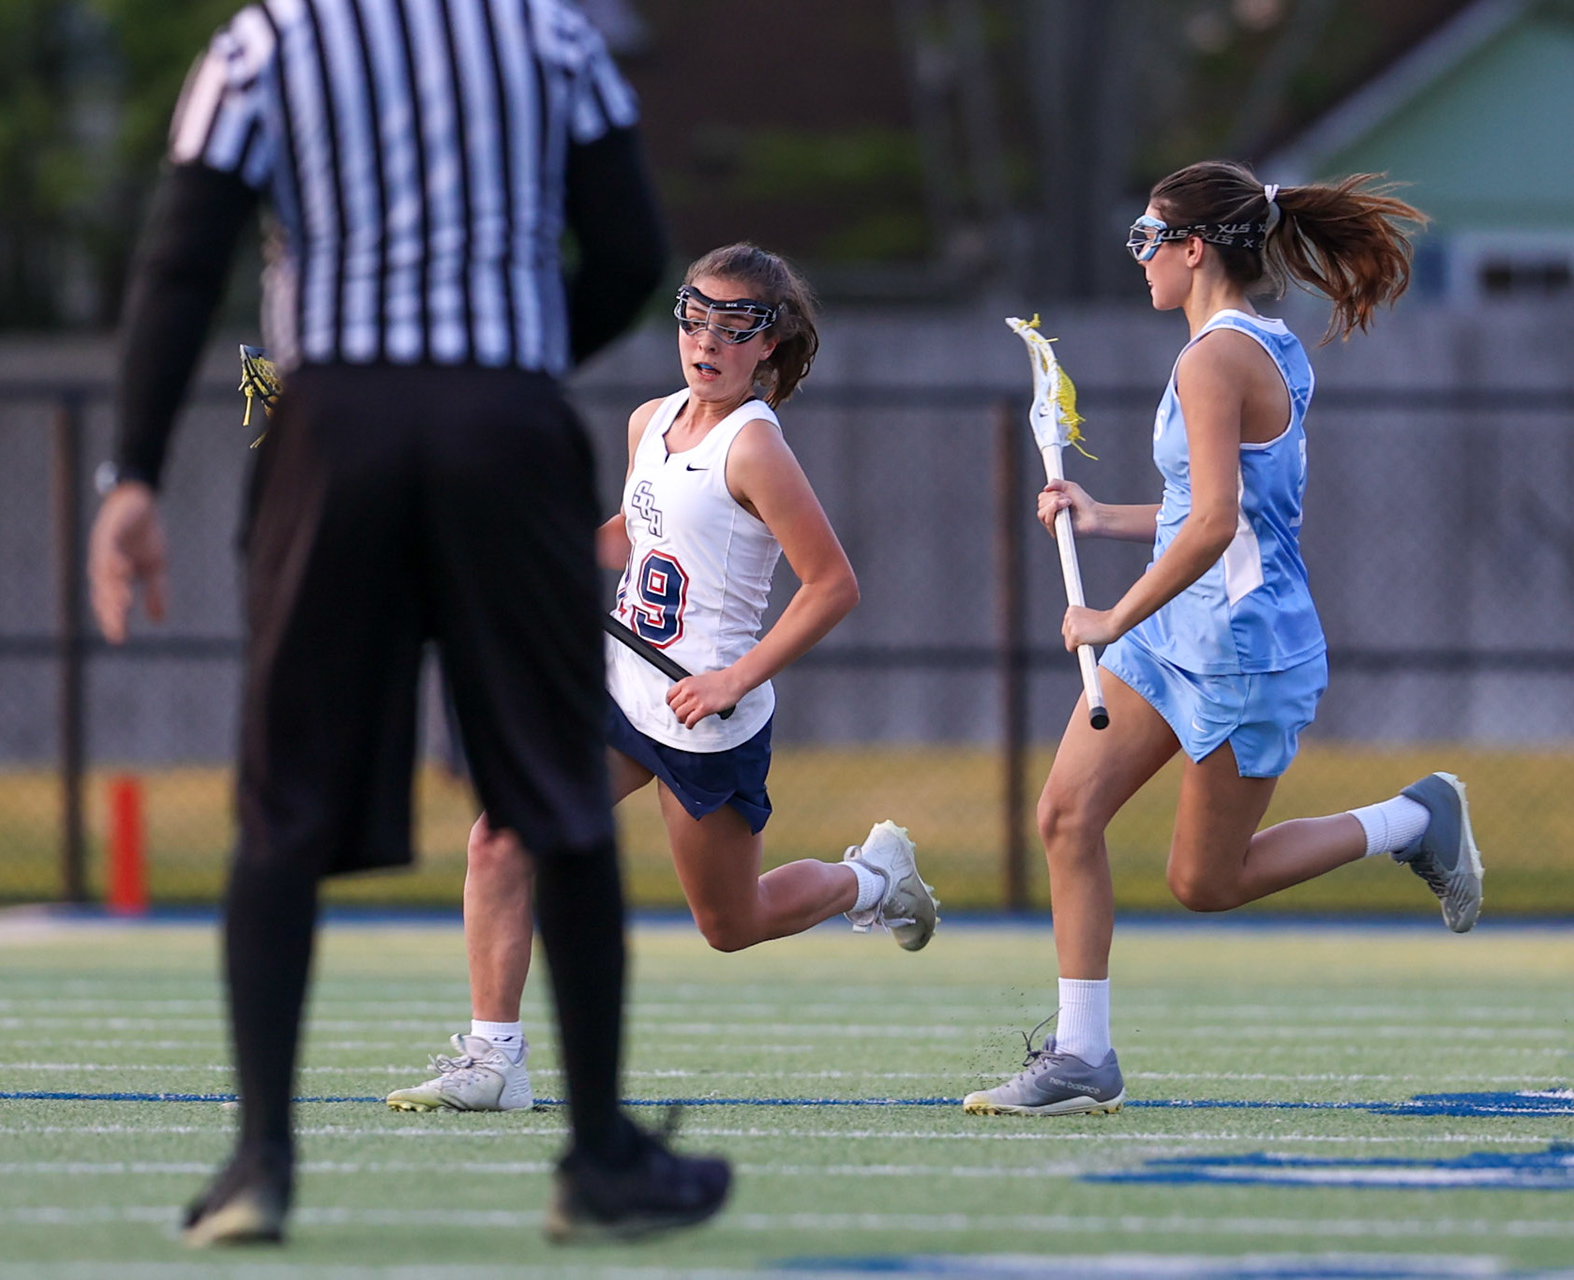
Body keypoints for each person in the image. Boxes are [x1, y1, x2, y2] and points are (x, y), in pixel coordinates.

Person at [86, 0, 728, 1246]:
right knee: (555, 785)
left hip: (334, 426)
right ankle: (599, 1154)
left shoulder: (267, 45)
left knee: (283, 803)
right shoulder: (549, 38)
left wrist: (135, 474)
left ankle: (261, 1158)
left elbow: (180, 261)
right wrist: (514, 355)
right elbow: (632, 248)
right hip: (504, 425)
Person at [964, 162, 1482, 1118]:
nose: (1140, 258)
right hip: (1175, 634)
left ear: (1193, 249)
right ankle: (1082, 1055)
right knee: (1067, 816)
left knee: (1205, 882)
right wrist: (1101, 515)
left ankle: (1414, 820)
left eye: (1147, 239)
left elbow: (1213, 526)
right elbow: (1204, 513)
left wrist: (1109, 617)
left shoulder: (1216, 360)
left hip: (1242, 649)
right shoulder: (1245, 346)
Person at [386, 243, 940, 1115]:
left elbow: (833, 586)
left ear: (768, 343)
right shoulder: (653, 420)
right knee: (500, 840)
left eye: (734, 325)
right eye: (696, 317)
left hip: (703, 717)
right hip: (619, 691)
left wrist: (734, 678)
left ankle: (872, 878)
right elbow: (633, 537)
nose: (707, 341)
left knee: (730, 924)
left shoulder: (754, 449)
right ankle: (494, 1062)